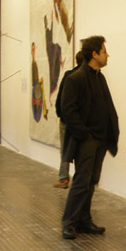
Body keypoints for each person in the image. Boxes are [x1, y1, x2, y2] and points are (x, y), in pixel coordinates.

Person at [60, 36, 119, 240]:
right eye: (104, 51)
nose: (107, 55)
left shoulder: (99, 77)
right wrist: (84, 135)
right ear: (94, 54)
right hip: (87, 139)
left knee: (91, 181)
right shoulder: (75, 78)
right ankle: (69, 222)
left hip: (100, 140)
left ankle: (84, 220)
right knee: (81, 181)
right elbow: (67, 110)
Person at [53, 50, 83, 188]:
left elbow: (61, 96)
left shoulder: (69, 75)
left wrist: (60, 113)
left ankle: (64, 178)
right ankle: (79, 179)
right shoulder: (89, 77)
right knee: (80, 150)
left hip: (66, 119)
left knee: (65, 149)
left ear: (76, 61)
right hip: (80, 121)